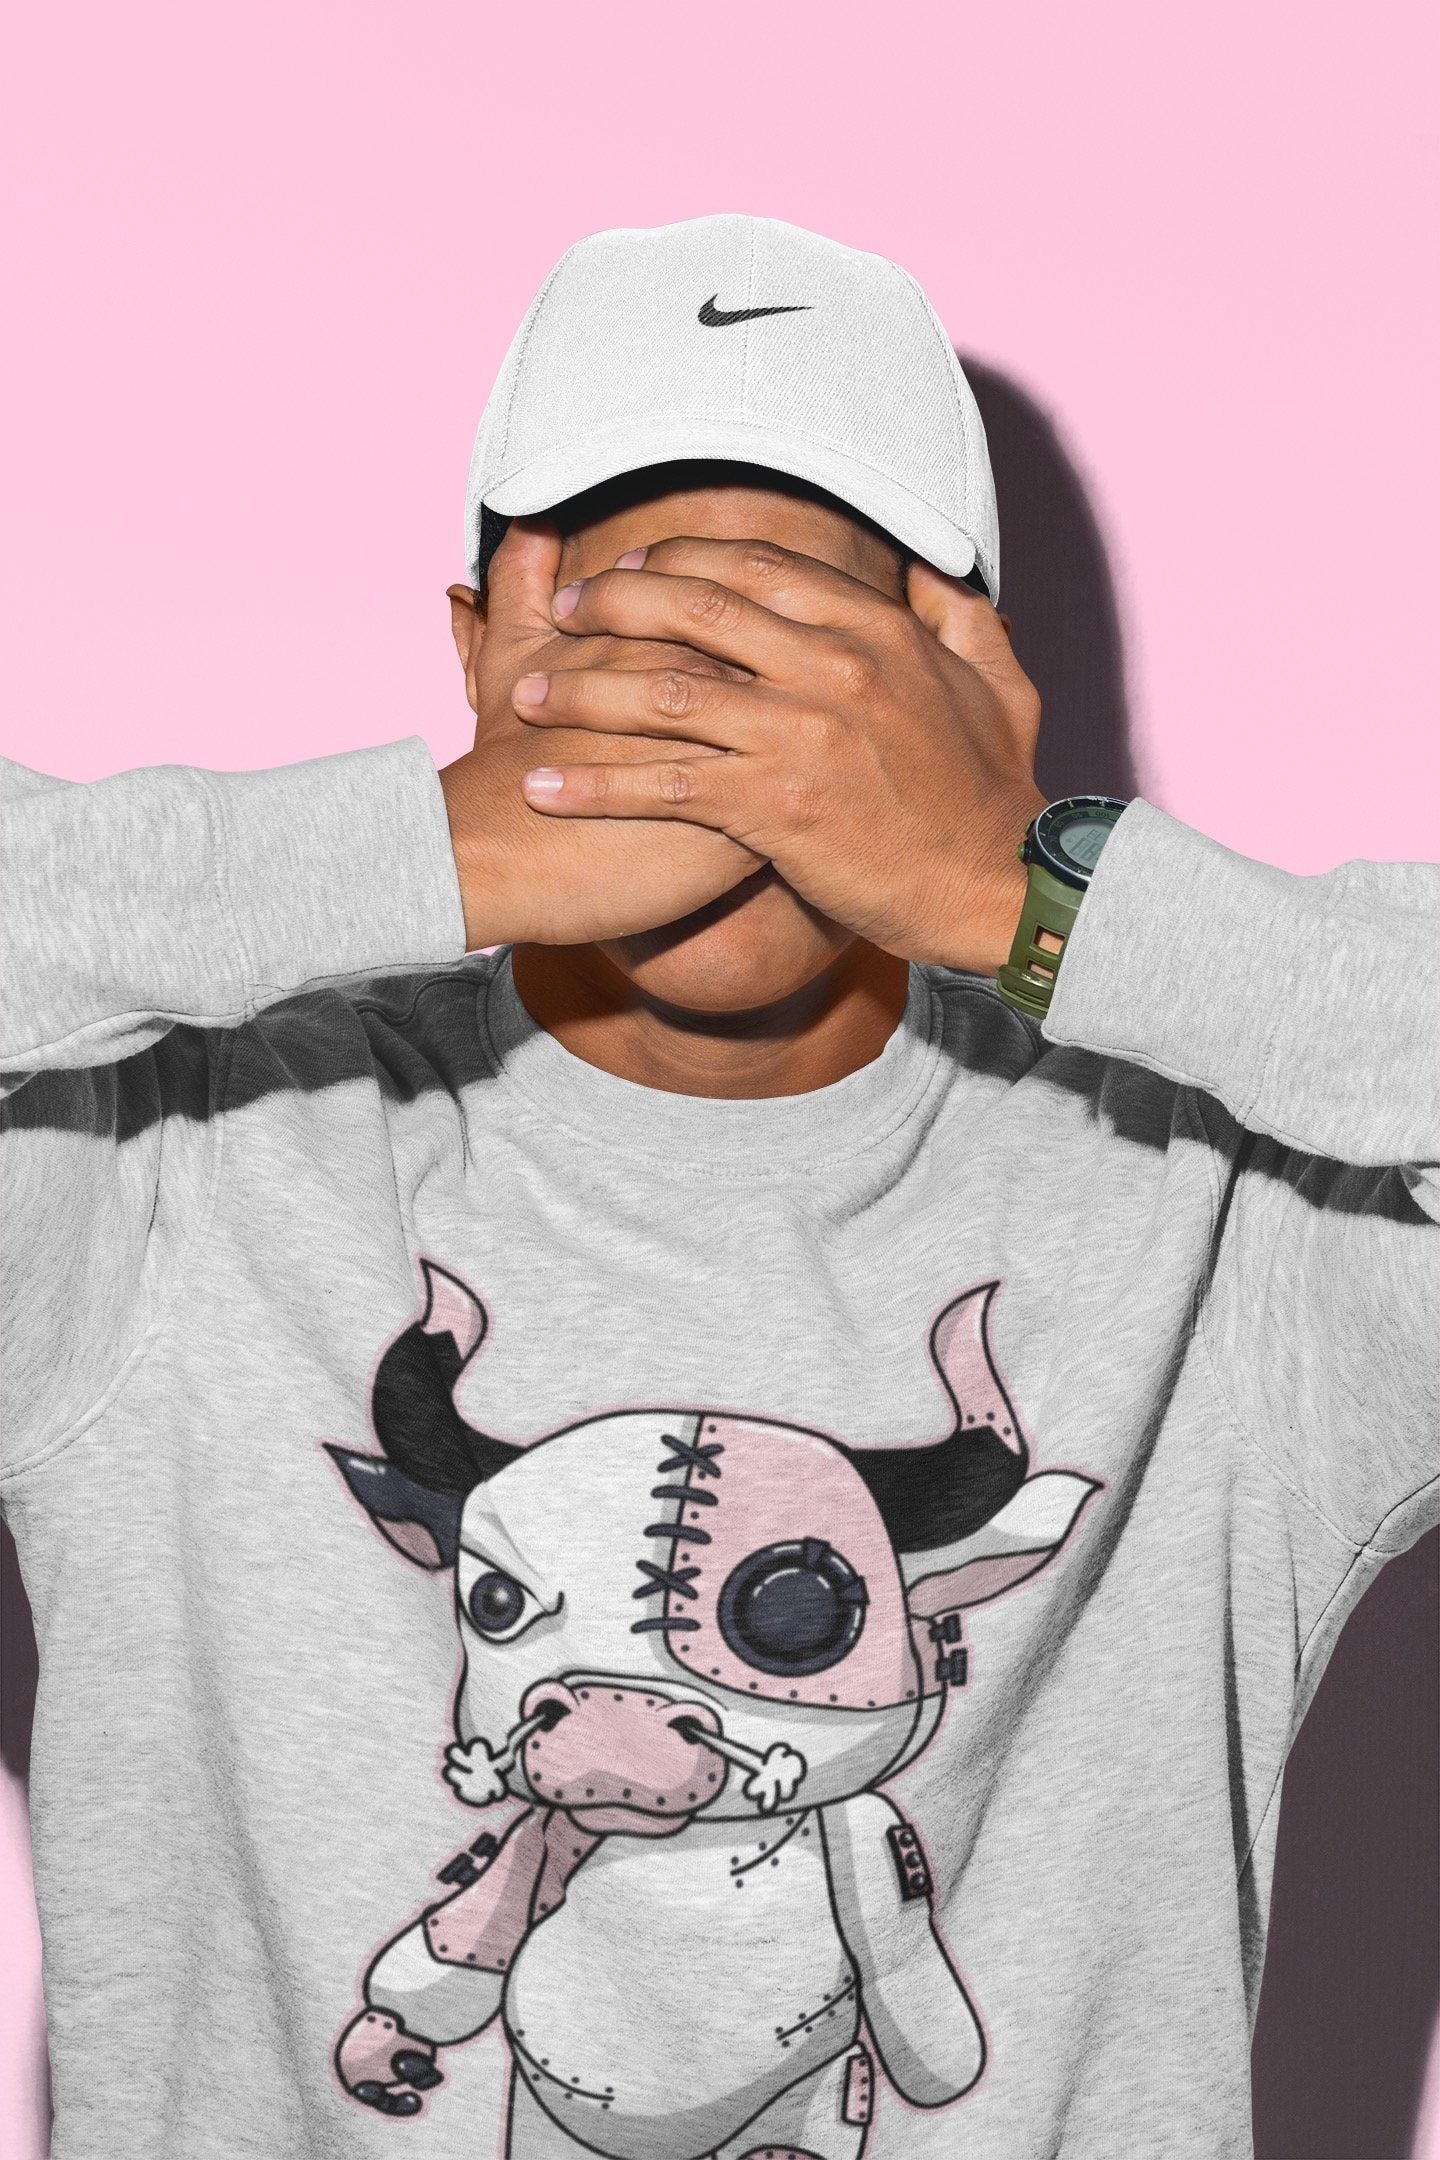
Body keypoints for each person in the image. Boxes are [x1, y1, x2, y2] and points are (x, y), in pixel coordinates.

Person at [2, 212, 1435, 2160]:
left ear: (976, 693)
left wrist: (1031, 893)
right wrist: (428, 852)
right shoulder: (162, 1175)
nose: (727, 741)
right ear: (487, 646)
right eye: (642, 640)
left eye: (814, 659)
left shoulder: (1234, 1223)